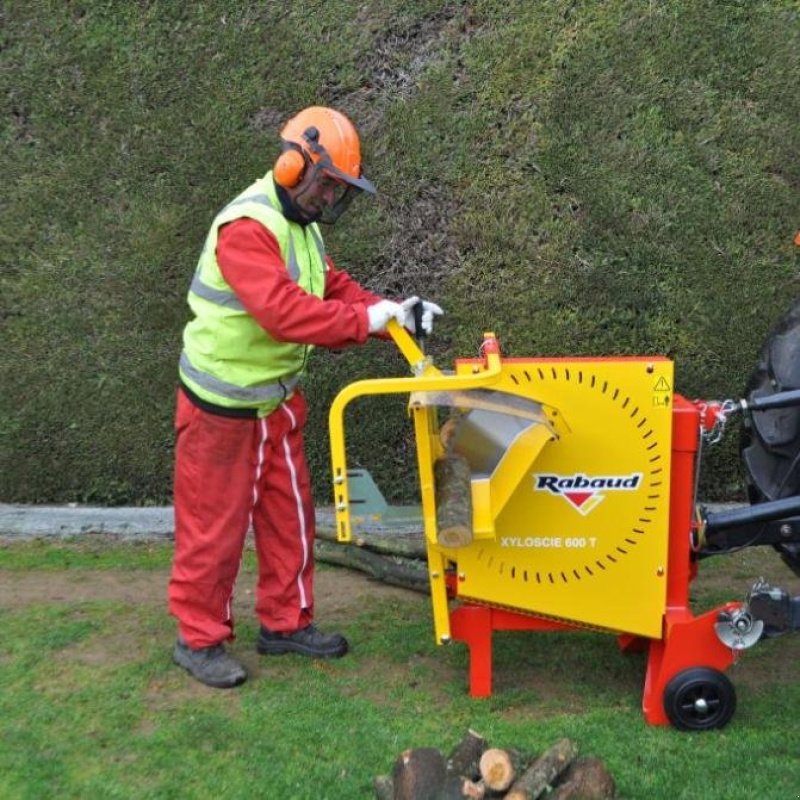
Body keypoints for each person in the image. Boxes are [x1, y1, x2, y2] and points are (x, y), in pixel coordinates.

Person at [168, 106, 443, 688]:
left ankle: (286, 624)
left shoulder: (301, 226)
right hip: (222, 410)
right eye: (326, 184)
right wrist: (363, 322)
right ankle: (199, 638)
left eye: (337, 189)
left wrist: (391, 311)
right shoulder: (247, 228)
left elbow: (329, 286)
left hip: (276, 405)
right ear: (293, 164)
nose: (329, 198)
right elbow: (282, 313)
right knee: (212, 532)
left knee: (289, 518)